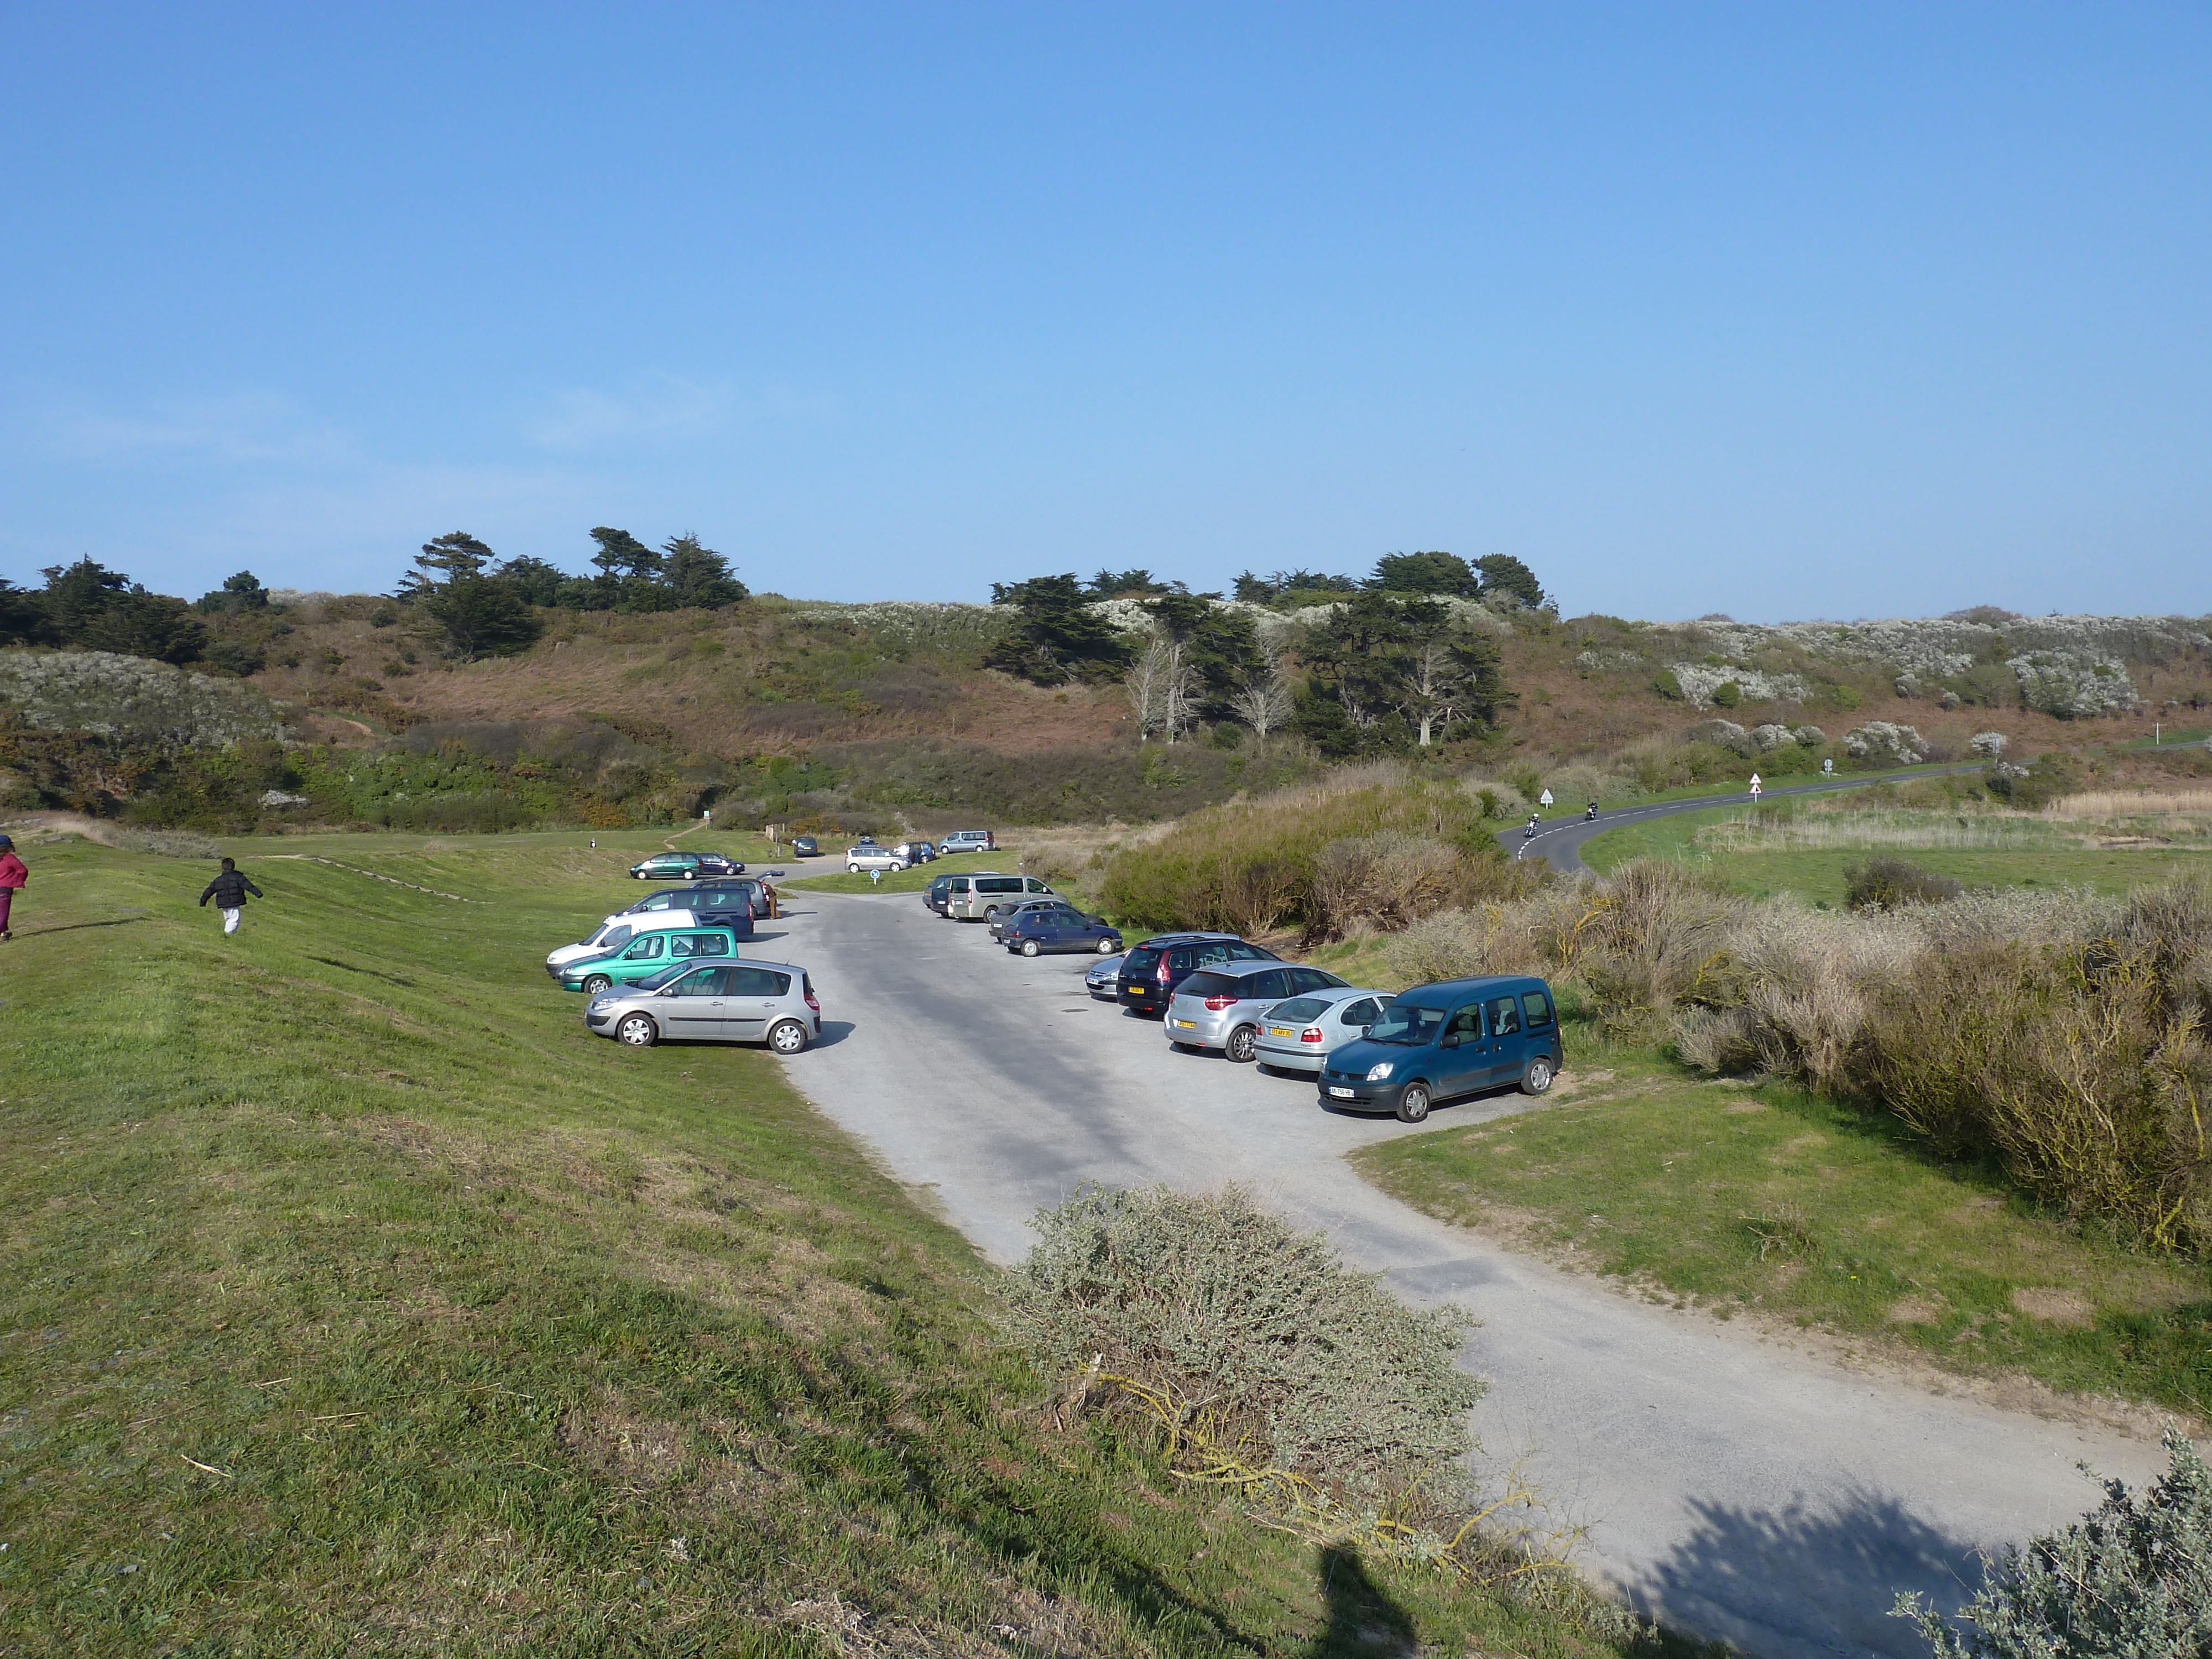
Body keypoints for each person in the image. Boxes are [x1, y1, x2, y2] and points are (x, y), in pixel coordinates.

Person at [199, 856, 264, 936]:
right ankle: (227, 935)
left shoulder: (218, 880)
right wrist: (258, 894)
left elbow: (209, 891)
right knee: (234, 920)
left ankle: (228, 934)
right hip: (234, 902)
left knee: (229, 919)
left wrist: (203, 901)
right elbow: (249, 886)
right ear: (233, 866)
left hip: (223, 903)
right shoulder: (238, 877)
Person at [0, 834, 25, 941]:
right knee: (3, 912)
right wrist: (18, 880)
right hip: (5, 889)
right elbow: (23, 871)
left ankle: (4, 932)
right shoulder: (9, 858)